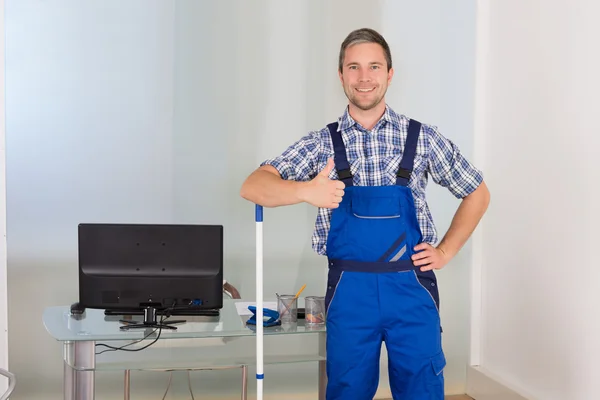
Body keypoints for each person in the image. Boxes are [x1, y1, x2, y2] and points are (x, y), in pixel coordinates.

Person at [240, 27, 490, 400]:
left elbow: (477, 193)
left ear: (390, 73)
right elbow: (253, 185)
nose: (364, 77)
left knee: (422, 387)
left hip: (412, 287)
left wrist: (446, 250)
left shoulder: (421, 138)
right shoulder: (322, 143)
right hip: (349, 291)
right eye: (353, 67)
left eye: (374, 66)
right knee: (347, 390)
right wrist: (305, 190)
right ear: (341, 75)